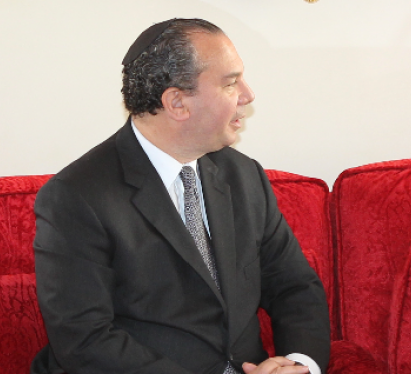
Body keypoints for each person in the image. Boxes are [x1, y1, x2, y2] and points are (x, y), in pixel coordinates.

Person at [32, 19, 330, 374]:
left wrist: (299, 365)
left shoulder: (243, 175)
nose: (248, 95)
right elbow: (84, 340)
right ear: (177, 103)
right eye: (231, 82)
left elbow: (294, 286)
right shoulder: (77, 197)